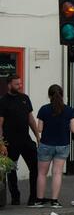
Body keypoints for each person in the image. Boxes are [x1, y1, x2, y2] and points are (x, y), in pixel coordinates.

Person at [31, 85, 74, 208]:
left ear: (49, 95)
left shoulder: (44, 109)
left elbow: (39, 129)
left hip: (46, 144)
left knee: (41, 173)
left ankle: (39, 200)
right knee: (57, 173)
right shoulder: (69, 110)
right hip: (62, 145)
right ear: (62, 95)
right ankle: (54, 201)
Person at [0, 74, 40, 206]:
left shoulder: (25, 98)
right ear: (9, 85)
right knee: (11, 171)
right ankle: (15, 196)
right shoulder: (3, 101)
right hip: (9, 142)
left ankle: (33, 197)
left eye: (20, 83)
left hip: (26, 140)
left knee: (35, 167)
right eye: (17, 84)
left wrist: (38, 137)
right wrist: (1, 143)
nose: (19, 86)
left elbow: (31, 119)